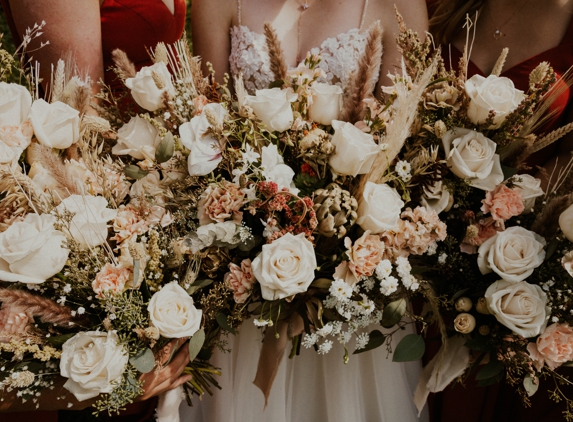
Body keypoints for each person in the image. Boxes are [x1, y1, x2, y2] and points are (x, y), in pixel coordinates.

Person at [184, 1, 429, 421]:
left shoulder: (397, 4)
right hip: (246, 278)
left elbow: (404, 141)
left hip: (348, 286)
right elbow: (206, 130)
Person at [0, 0, 190, 419]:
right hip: (104, 198)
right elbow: (83, 118)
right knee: (120, 382)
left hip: (161, 187)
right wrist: (129, 230)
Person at [426, 1, 573, 421]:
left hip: (504, 272)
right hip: (413, 250)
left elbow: (569, 163)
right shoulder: (439, 6)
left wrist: (496, 211)